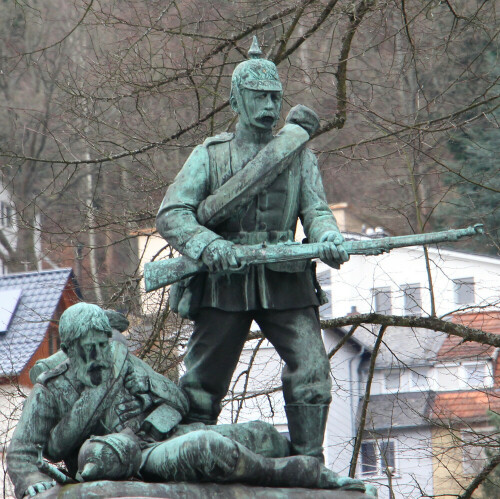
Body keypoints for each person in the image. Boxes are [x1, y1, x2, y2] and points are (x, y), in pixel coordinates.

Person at [156, 37, 348, 462]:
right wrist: (207, 245)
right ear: (236, 99)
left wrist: (328, 236)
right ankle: (190, 462)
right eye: (258, 97)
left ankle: (309, 465)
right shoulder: (209, 155)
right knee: (203, 384)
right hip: (224, 281)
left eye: (275, 98)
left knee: (313, 372)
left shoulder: (298, 155)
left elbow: (315, 210)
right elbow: (172, 214)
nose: (268, 107)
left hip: (285, 280)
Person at [7, 303, 369, 498]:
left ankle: (300, 470)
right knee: (208, 447)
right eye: (91, 349)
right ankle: (306, 476)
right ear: (70, 349)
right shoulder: (51, 390)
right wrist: (31, 481)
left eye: (104, 343)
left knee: (264, 435)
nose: (101, 354)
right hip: (131, 458)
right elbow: (22, 452)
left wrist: (150, 410)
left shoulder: (121, 361)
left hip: (164, 435)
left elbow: (178, 401)